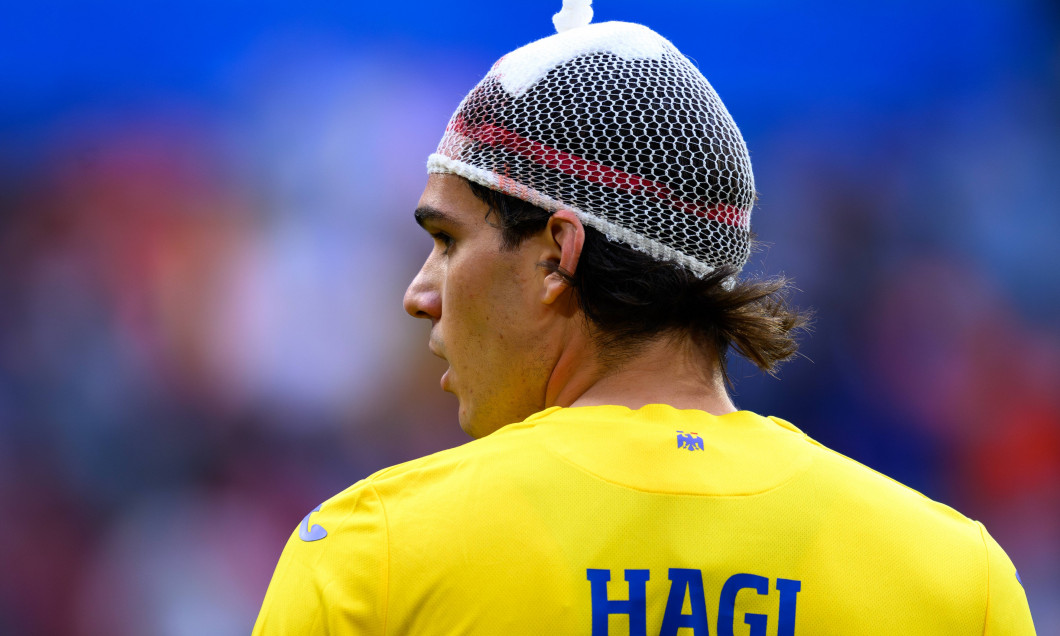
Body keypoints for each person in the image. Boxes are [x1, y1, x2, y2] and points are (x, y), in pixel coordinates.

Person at [253, 2, 1036, 633]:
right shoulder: (956, 579)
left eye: (448, 241)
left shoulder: (373, 559)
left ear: (560, 253)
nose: (420, 293)